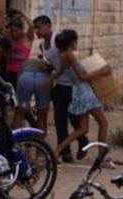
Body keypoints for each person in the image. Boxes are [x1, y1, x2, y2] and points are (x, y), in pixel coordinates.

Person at [33, 15, 89, 163]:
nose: (36, 31)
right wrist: (48, 67)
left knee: (75, 119)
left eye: (39, 27)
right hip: (60, 86)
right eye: (35, 28)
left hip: (72, 85)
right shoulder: (42, 46)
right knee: (60, 120)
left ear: (48, 25)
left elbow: (68, 61)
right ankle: (66, 152)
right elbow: (57, 65)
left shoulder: (58, 39)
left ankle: (83, 142)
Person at [50, 30, 110, 163]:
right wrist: (102, 71)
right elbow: (82, 76)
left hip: (78, 92)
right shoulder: (70, 55)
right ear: (72, 42)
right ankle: (101, 157)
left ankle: (57, 150)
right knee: (103, 123)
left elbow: (60, 71)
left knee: (82, 129)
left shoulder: (63, 55)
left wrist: (50, 79)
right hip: (84, 92)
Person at [6, 15, 34, 86]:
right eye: (12, 30)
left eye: (15, 30)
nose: (13, 33)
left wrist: (22, 15)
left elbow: (31, 25)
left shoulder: (27, 38)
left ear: (21, 29)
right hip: (9, 72)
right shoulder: (10, 38)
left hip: (21, 74)